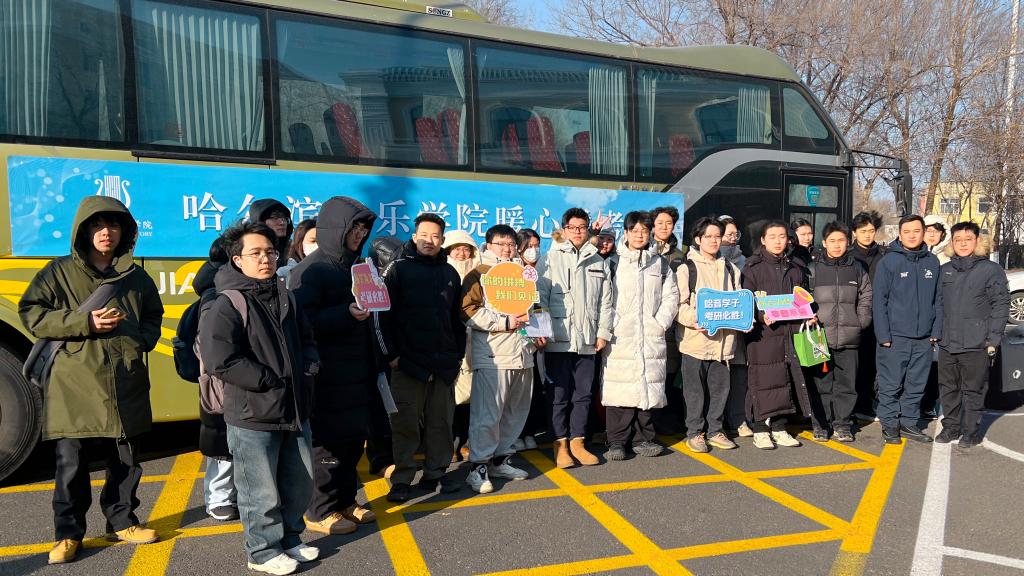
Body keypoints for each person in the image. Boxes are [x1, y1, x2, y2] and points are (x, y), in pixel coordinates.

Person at [20, 197, 164, 565]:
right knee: (71, 464)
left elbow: (153, 315)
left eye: (113, 224)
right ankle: (68, 534)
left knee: (126, 461)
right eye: (97, 224)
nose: (105, 232)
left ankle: (123, 521)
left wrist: (140, 340)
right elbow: (32, 312)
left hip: (125, 381)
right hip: (74, 384)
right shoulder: (58, 272)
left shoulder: (136, 277)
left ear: (124, 231)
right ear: (83, 230)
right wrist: (83, 322)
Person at [198, 221, 320, 575]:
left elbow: (308, 340)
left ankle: (290, 538)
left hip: (294, 407)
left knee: (298, 481)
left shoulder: (286, 296)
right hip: (254, 412)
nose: (265, 258)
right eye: (255, 253)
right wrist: (267, 380)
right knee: (259, 490)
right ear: (237, 260)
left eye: (270, 252)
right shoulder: (227, 302)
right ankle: (262, 551)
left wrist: (310, 367)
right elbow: (220, 359)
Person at [290, 197, 378, 535]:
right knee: (327, 446)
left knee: (353, 441)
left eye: (363, 229)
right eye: (353, 227)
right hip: (327, 374)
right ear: (335, 228)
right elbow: (301, 322)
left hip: (357, 371)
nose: (359, 234)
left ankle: (345, 500)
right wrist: (345, 314)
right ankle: (319, 511)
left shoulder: (359, 266)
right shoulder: (312, 270)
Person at [379, 213, 466, 502]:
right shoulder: (397, 268)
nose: (429, 241)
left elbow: (456, 320)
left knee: (441, 423)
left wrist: (457, 356)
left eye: (435, 236)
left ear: (443, 240)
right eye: (424, 235)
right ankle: (402, 478)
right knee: (404, 424)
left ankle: (435, 473)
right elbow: (381, 317)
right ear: (415, 237)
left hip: (443, 364)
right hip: (407, 363)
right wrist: (392, 356)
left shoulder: (450, 273)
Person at [461, 224, 542, 493]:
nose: (507, 249)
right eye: (501, 244)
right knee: (487, 415)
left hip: (523, 352)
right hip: (493, 355)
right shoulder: (479, 274)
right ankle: (478, 467)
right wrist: (503, 323)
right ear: (488, 245)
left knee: (515, 413)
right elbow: (467, 311)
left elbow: (533, 307)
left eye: (511, 244)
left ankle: (500, 460)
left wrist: (539, 332)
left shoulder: (523, 273)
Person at [538, 208, 614, 468]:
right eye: (573, 227)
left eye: (583, 227)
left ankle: (578, 443)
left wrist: (603, 333)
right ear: (564, 230)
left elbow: (606, 302)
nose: (578, 232)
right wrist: (540, 332)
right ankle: (560, 445)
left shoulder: (598, 261)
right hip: (557, 339)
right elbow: (539, 299)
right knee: (558, 395)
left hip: (588, 340)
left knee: (583, 395)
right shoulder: (550, 258)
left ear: (588, 229)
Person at [601, 211, 679, 460]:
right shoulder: (613, 262)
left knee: (648, 387)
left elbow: (671, 296)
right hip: (620, 335)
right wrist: (615, 323)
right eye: (634, 230)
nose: (639, 235)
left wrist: (660, 322)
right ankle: (616, 441)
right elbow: (603, 297)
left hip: (651, 334)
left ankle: (643, 438)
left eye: (644, 231)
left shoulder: (660, 263)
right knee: (620, 388)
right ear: (625, 233)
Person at [935, 222, 1010, 450]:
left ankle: (970, 431)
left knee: (973, 390)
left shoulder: (990, 270)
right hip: (947, 342)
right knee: (948, 388)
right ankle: (951, 427)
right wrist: (936, 334)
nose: (963, 244)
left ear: (977, 241)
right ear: (952, 242)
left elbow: (1001, 305)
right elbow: (938, 305)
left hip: (976, 342)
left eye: (968, 239)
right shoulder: (945, 269)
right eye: (958, 239)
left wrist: (993, 339)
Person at [742, 221, 813, 450]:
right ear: (763, 240)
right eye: (772, 237)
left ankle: (780, 427)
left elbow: (803, 297)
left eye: (782, 236)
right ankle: (760, 429)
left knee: (785, 378)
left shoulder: (795, 268)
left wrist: (808, 314)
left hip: (788, 332)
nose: (778, 241)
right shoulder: (751, 267)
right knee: (762, 379)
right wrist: (761, 316)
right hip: (762, 334)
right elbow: (745, 300)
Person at [873, 214, 943, 444]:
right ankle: (889, 425)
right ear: (900, 235)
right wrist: (883, 335)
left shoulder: (932, 262)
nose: (912, 235)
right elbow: (879, 301)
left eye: (916, 231)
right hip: (895, 338)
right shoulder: (889, 262)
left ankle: (909, 423)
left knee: (916, 384)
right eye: (907, 232)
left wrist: (935, 331)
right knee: (890, 385)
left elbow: (938, 300)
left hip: (924, 338)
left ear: (923, 233)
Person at [676, 216, 742, 452]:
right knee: (694, 392)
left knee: (720, 390)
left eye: (718, 236)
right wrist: (693, 320)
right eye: (708, 236)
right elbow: (679, 305)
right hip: (695, 342)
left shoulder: (731, 269)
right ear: (698, 239)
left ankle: (715, 430)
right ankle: (695, 433)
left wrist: (745, 319)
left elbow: (738, 302)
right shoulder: (687, 268)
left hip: (724, 344)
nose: (714, 241)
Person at [806, 222, 872, 443]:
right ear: (824, 243)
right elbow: (802, 298)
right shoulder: (812, 269)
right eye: (832, 241)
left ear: (848, 242)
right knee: (821, 384)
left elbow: (866, 296)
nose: (837, 245)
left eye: (841, 241)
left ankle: (842, 425)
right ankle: (821, 424)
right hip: (819, 337)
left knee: (847, 385)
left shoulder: (857, 268)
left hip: (849, 337)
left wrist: (860, 321)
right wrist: (809, 318)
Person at [194, 238, 238, 522]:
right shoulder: (215, 296)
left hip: (237, 379)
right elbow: (209, 346)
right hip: (221, 380)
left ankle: (232, 495)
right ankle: (218, 498)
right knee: (221, 442)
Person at [444, 230, 481, 462]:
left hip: (475, 342)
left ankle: (466, 441)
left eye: (465, 249)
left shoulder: (481, 274)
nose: (461, 253)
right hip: (448, 343)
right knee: (447, 398)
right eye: (456, 249)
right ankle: (448, 442)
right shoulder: (441, 273)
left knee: (471, 396)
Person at [652, 206, 688, 435]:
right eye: (660, 223)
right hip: (649, 320)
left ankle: (667, 419)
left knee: (670, 370)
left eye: (669, 223)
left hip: (673, 322)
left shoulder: (681, 254)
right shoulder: (645, 250)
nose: (665, 227)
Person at [849, 210, 887, 419]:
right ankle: (855, 403)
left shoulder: (884, 255)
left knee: (873, 362)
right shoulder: (848, 255)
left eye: (871, 231)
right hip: (852, 316)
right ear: (855, 232)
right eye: (862, 231)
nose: (867, 235)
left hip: (878, 317)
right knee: (854, 362)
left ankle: (868, 401)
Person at [514, 228, 548, 451]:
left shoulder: (542, 271)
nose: (533, 250)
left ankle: (529, 431)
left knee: (535, 390)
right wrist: (528, 336)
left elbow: (541, 306)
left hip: (539, 341)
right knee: (517, 393)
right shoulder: (512, 273)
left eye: (537, 246)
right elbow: (513, 311)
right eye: (528, 246)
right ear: (519, 249)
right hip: (518, 340)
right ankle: (515, 433)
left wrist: (542, 333)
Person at [277, 219, 317, 285]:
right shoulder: (285, 272)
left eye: (321, 241)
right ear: (300, 244)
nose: (318, 246)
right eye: (313, 241)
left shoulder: (331, 268)